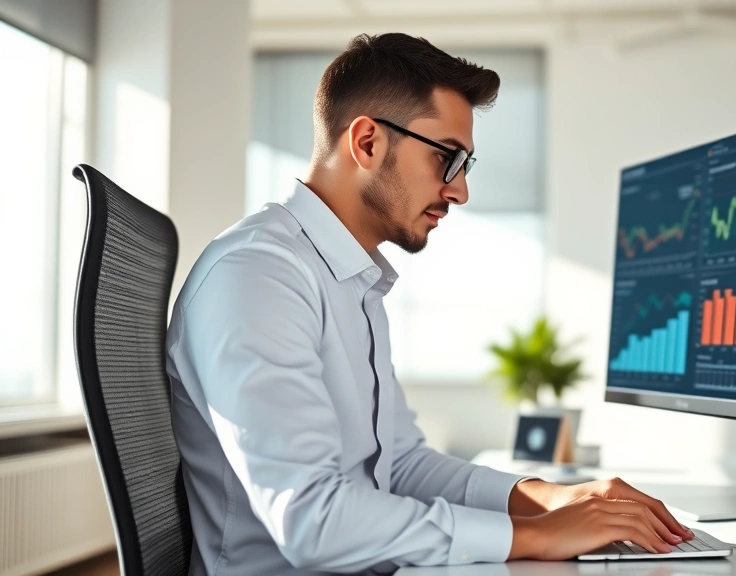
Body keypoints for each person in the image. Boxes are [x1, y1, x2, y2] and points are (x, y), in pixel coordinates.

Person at [166, 32, 693, 575]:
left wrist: (550, 499)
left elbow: (401, 464)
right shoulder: (258, 274)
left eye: (465, 165)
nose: (460, 190)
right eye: (447, 158)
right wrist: (531, 535)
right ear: (367, 141)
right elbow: (312, 519)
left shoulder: (348, 280)